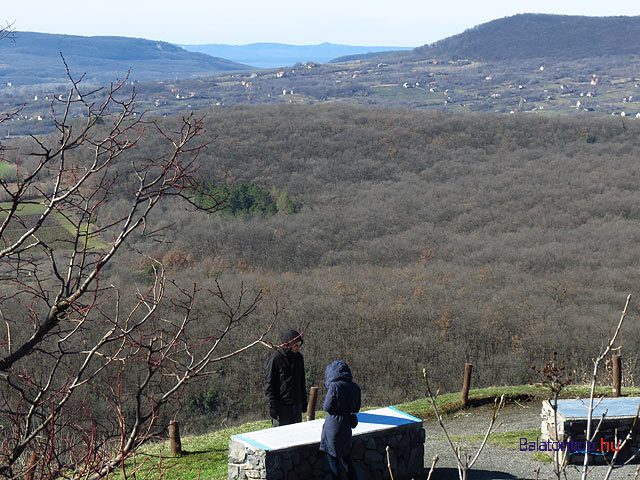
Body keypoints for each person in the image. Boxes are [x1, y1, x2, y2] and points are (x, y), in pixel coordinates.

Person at [319, 360, 361, 480]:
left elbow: (326, 407)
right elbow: (356, 409)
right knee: (347, 459)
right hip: (347, 425)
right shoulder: (355, 387)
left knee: (333, 460)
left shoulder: (334, 387)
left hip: (333, 426)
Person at [264, 329, 307, 426]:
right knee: (281, 438)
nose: (298, 348)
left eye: (299, 345)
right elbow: (269, 384)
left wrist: (304, 401)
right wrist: (272, 406)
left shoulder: (299, 358)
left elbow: (301, 381)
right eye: (296, 345)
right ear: (289, 344)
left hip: (296, 406)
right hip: (282, 407)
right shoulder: (276, 358)